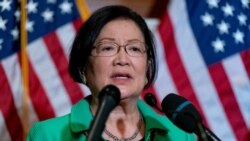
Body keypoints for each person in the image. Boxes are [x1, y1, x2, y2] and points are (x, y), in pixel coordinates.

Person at [26, 5, 196, 141]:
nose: (122, 59)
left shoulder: (180, 136)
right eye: (107, 48)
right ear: (84, 66)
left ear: (147, 67)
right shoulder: (47, 135)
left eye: (134, 48)